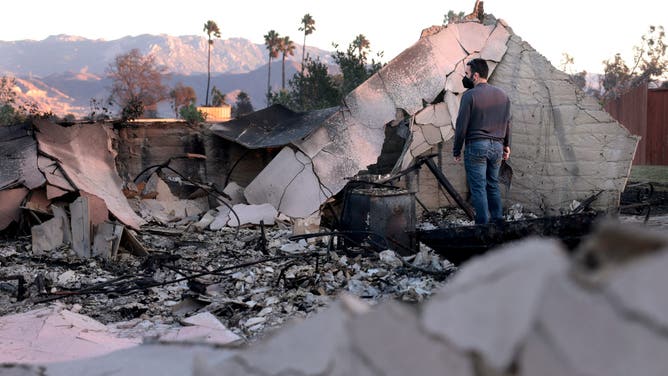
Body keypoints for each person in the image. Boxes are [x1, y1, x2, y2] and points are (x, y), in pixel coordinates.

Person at [453, 58, 511, 225]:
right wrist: (506, 145)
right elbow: (507, 122)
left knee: (478, 188)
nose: (465, 77)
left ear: (475, 75)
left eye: (466, 74)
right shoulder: (503, 96)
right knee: (492, 185)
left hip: (477, 146)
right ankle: (498, 223)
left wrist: (456, 150)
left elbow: (461, 126)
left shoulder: (469, 96)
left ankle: (483, 227)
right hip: (497, 148)